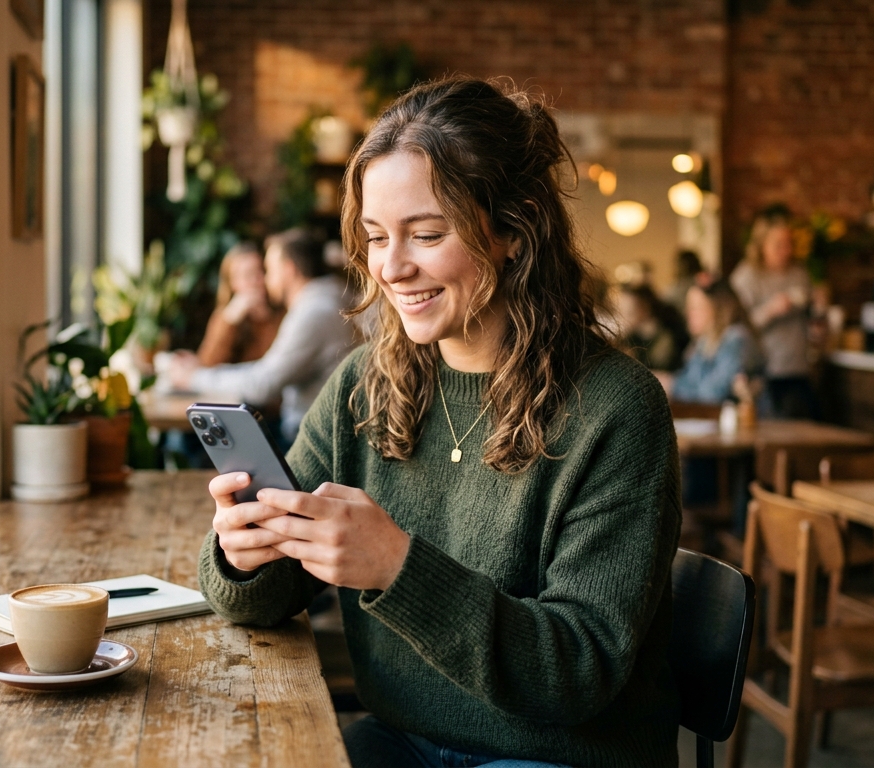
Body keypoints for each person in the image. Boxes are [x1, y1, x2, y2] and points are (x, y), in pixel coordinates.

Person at [198, 77, 680, 767]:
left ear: (513, 229)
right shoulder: (364, 385)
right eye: (373, 238)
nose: (391, 268)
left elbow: (581, 670)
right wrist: (244, 555)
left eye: (426, 233)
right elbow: (255, 600)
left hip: (558, 754)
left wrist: (398, 567)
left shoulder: (615, 408)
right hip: (400, 742)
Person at [173, 228, 354, 443]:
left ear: (288, 270)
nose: (264, 280)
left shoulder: (312, 312)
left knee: (195, 442)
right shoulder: (324, 299)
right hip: (310, 424)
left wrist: (193, 377)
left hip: (308, 433)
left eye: (268, 270)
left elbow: (262, 384)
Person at [730, 212, 815, 418]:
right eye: (778, 244)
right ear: (761, 245)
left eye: (789, 243)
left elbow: (811, 318)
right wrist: (770, 310)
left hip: (798, 367)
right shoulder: (746, 277)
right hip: (764, 372)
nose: (785, 250)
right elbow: (736, 326)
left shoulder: (799, 274)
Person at [658, 282, 759, 404]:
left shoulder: (735, 337)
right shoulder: (702, 341)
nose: (688, 313)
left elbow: (714, 393)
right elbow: (690, 379)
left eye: (695, 308)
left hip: (748, 420)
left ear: (718, 308)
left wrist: (672, 385)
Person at [196, 242, 284, 367]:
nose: (256, 281)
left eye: (260, 271)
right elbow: (206, 366)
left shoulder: (282, 310)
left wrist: (265, 317)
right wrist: (230, 322)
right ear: (233, 283)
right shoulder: (224, 318)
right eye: (248, 275)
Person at [612, 282, 685, 371]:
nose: (622, 319)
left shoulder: (667, 336)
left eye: (629, 313)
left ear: (645, 308)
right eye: (619, 312)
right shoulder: (632, 337)